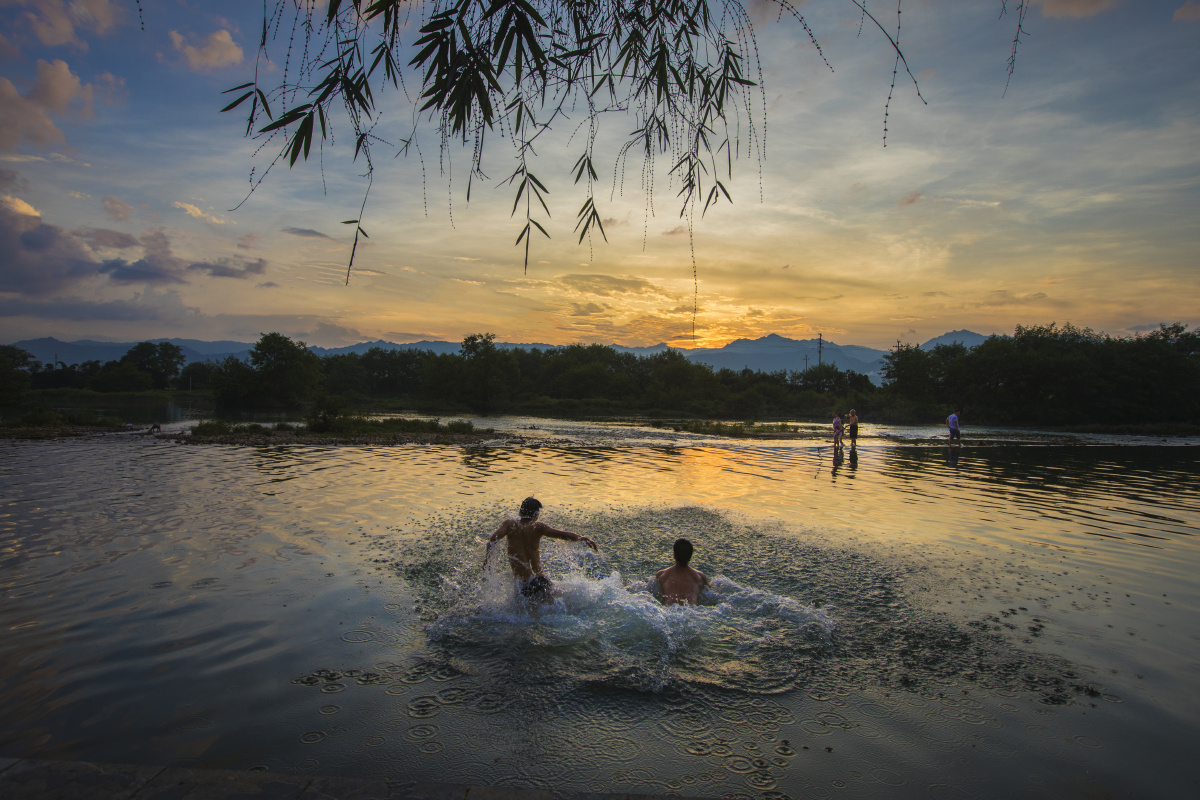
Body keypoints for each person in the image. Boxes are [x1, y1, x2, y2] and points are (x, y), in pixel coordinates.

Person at [485, 497, 597, 601]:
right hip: (541, 580)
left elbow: (491, 542)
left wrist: (488, 561)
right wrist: (581, 538)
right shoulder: (538, 527)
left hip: (523, 583)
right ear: (536, 514)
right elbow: (562, 534)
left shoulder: (509, 525)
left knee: (527, 614)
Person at [655, 538, 709, 606]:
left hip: (669, 610)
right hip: (691, 610)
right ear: (690, 556)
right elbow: (710, 595)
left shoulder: (661, 575)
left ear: (674, 555)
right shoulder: (700, 577)